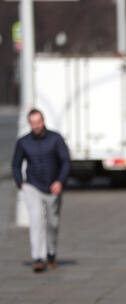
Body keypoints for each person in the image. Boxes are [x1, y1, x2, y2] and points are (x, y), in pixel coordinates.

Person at [12, 108, 71, 273]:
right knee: (36, 220)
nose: (36, 126)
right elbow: (16, 164)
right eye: (33, 123)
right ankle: (38, 257)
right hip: (32, 186)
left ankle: (51, 253)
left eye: (38, 122)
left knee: (52, 223)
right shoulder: (23, 142)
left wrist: (60, 181)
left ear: (43, 121)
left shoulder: (55, 139)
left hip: (53, 187)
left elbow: (66, 161)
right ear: (29, 124)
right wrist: (20, 183)